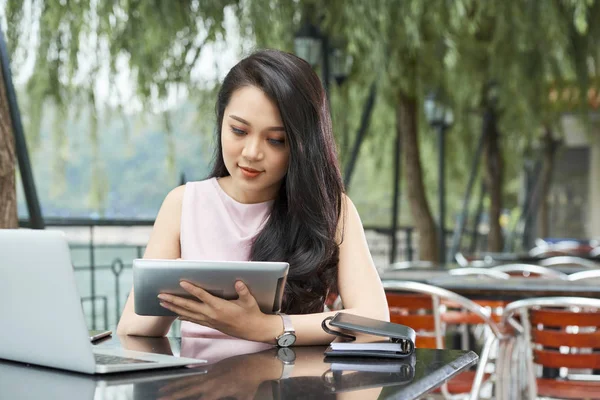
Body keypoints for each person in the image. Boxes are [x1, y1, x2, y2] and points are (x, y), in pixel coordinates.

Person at [116, 49, 389, 345]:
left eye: (275, 140)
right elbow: (133, 328)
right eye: (238, 130)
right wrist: (176, 292)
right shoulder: (183, 204)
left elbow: (373, 321)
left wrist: (264, 327)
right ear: (221, 121)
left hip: (295, 386)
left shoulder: (331, 209)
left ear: (302, 146)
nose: (251, 153)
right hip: (201, 386)